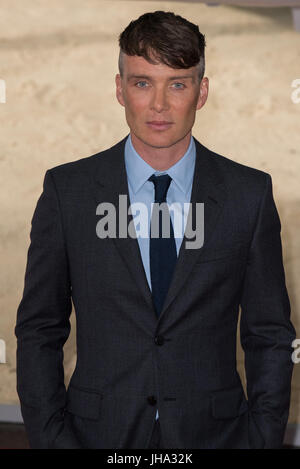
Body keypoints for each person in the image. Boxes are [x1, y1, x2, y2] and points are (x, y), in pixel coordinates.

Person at [15, 10, 296, 449]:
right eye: (142, 82)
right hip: (96, 437)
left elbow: (270, 335)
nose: (159, 105)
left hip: (217, 436)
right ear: (119, 89)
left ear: (201, 92)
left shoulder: (249, 195)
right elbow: (39, 331)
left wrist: (260, 438)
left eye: (177, 83)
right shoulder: (67, 191)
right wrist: (52, 440)